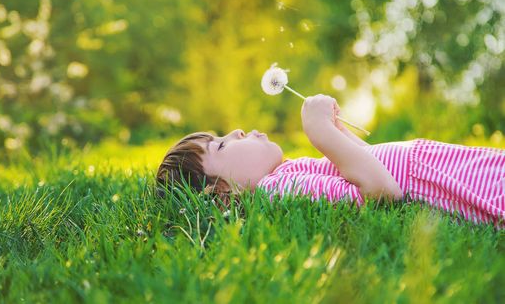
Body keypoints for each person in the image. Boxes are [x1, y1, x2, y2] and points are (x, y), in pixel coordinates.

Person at [156, 94, 505, 229]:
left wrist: (337, 131)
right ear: (223, 192)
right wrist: (319, 131)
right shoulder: (279, 187)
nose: (234, 132)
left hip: (442, 163)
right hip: (444, 180)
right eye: (219, 146)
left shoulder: (286, 172)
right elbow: (380, 189)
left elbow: (364, 161)